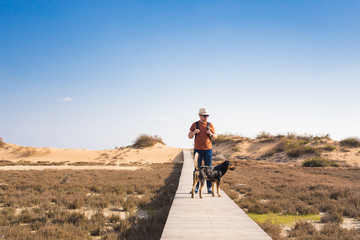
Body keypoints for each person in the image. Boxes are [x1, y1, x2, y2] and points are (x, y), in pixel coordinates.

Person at [188, 108, 217, 193]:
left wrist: (210, 134)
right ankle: (195, 188)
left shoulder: (210, 124)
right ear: (199, 116)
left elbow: (215, 136)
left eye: (207, 115)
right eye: (204, 115)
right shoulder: (195, 124)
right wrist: (194, 132)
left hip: (208, 149)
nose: (206, 117)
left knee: (209, 169)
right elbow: (189, 136)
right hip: (197, 150)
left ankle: (209, 188)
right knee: (197, 169)